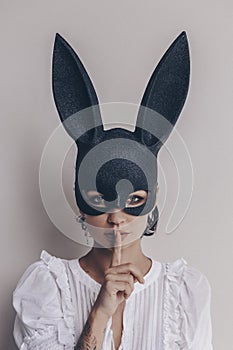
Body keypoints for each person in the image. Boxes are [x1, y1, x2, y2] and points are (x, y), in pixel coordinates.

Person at [12, 32, 213, 349]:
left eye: (134, 200)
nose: (116, 219)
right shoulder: (48, 287)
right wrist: (99, 314)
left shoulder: (185, 294)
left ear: (154, 197)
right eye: (99, 200)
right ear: (80, 203)